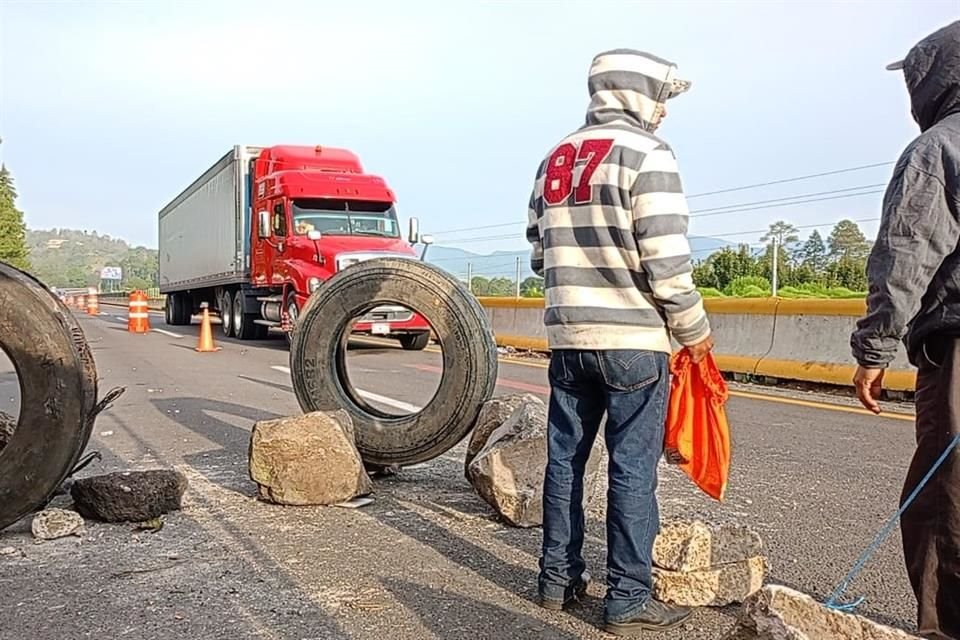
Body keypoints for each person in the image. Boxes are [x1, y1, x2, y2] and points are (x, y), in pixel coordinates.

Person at [525, 48, 714, 636]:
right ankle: (627, 598)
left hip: (568, 340)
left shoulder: (553, 158)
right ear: (637, 95)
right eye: (661, 98)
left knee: (565, 461)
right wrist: (695, 332)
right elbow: (666, 261)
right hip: (634, 340)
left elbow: (538, 255)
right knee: (632, 468)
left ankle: (557, 578)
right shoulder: (648, 155)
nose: (663, 112)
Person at [850, 20, 960, 640]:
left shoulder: (940, 147)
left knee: (946, 503)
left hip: (956, 342)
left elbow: (906, 253)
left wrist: (874, 348)